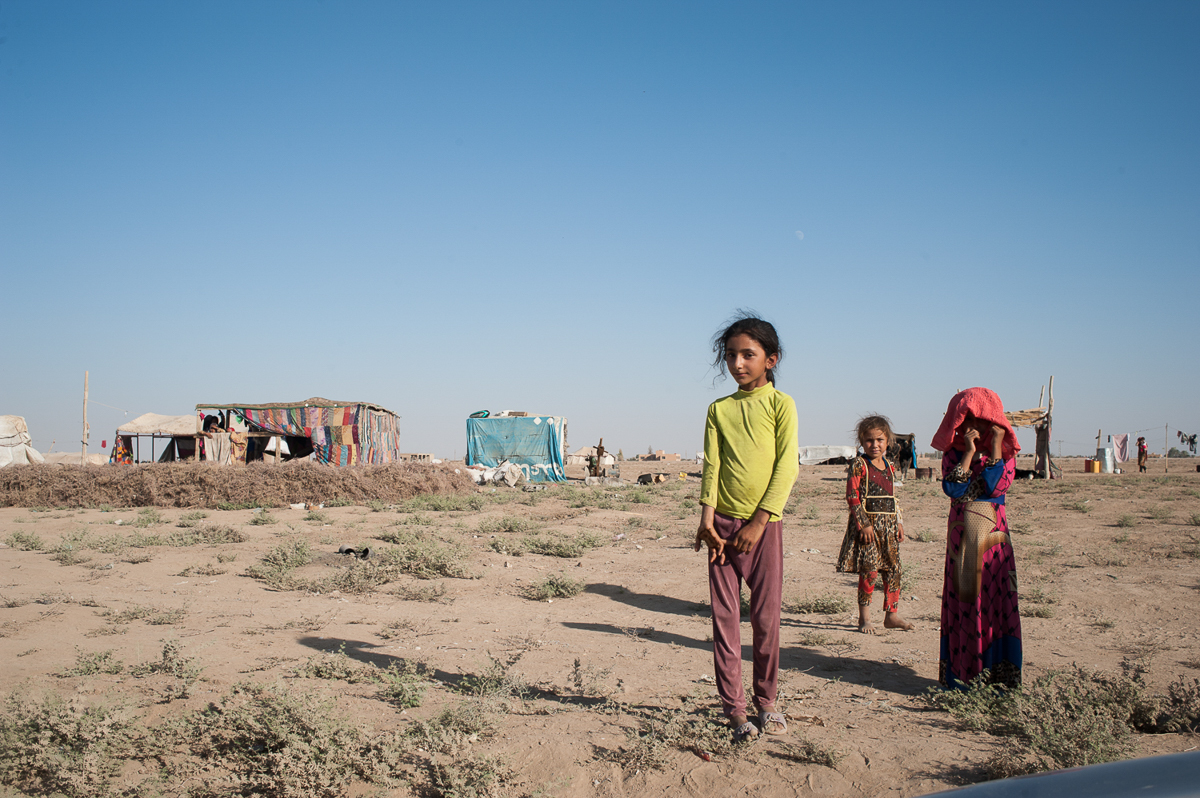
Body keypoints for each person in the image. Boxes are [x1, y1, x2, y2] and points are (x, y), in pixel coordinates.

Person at [694, 314, 799, 742]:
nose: (738, 363)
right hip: (720, 529)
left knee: (765, 619)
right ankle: (735, 710)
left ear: (770, 360)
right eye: (731, 355)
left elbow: (786, 465)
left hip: (763, 529)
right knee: (724, 620)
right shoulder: (719, 410)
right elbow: (713, 466)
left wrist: (760, 520)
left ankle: (767, 701)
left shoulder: (781, 405)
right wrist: (705, 518)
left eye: (748, 355)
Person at [931, 387, 1022, 690]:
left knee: (995, 603)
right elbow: (954, 490)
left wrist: (995, 444)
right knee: (966, 600)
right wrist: (969, 453)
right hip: (962, 543)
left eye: (980, 418)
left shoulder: (1006, 454)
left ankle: (997, 682)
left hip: (994, 546)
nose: (973, 425)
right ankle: (962, 680)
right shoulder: (954, 453)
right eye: (966, 417)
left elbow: (996, 489)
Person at [836, 415, 913, 634]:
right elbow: (852, 497)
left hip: (888, 527)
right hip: (868, 528)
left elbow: (893, 497)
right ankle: (865, 619)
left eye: (879, 440)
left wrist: (898, 521)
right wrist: (864, 524)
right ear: (862, 441)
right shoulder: (859, 464)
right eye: (869, 440)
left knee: (893, 570)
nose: (875, 445)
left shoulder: (889, 466)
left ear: (888, 440)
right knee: (869, 570)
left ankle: (891, 615)